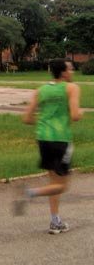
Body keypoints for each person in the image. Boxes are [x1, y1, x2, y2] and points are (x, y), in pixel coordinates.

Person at [16, 58, 83, 234]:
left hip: (43, 138)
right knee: (62, 185)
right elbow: (75, 115)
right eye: (70, 69)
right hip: (61, 139)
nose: (72, 72)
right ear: (63, 72)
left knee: (53, 182)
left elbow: (27, 118)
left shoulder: (41, 90)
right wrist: (81, 113)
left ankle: (55, 221)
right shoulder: (72, 88)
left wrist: (45, 122)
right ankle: (29, 193)